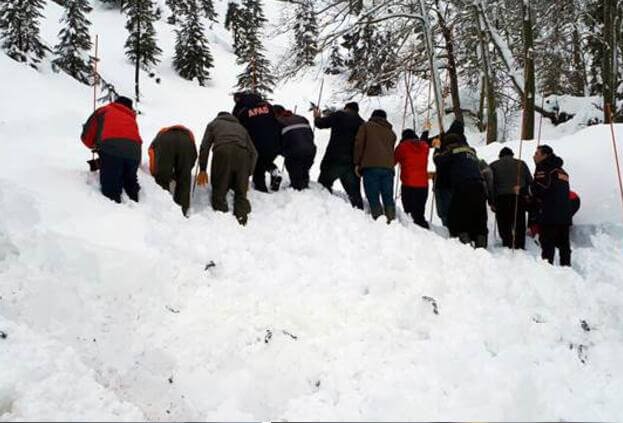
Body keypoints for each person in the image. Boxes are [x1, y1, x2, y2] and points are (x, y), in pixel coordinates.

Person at [433, 120, 488, 248]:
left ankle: (463, 241)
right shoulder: (470, 151)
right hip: (479, 185)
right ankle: (481, 241)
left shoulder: (452, 150)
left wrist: (437, 148)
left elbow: (438, 161)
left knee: (457, 213)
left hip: (462, 185)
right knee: (479, 215)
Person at [197, 112, 258, 225]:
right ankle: (241, 217)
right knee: (241, 192)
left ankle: (222, 217)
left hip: (223, 152)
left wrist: (203, 169)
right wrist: (248, 173)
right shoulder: (241, 128)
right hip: (243, 155)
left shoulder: (214, 124)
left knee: (219, 188)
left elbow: (205, 147)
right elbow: (254, 153)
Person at [81, 96, 142, 203]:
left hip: (111, 149)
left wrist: (93, 145)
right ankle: (137, 204)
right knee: (130, 180)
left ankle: (113, 211)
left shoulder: (104, 110)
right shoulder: (131, 118)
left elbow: (87, 136)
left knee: (111, 185)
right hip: (135, 152)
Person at [314, 102, 365, 209]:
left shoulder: (339, 115)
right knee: (354, 194)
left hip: (333, 159)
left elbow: (321, 124)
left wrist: (317, 117)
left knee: (323, 185)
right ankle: (360, 214)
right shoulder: (362, 123)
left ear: (346, 108)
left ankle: (322, 210)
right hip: (351, 163)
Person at [529, 145, 571, 266]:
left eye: (537, 154)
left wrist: (524, 190)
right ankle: (566, 270)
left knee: (547, 244)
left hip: (550, 213)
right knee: (564, 245)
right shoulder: (562, 171)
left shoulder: (544, 168)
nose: (534, 156)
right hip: (565, 214)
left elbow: (540, 188)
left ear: (544, 155)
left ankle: (548, 273)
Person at [232, 91, 282, 192]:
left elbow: (235, 124)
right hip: (275, 141)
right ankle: (274, 170)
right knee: (265, 160)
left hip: (256, 142)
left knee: (257, 165)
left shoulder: (243, 110)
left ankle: (261, 190)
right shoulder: (268, 106)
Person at [354, 109, 397, 221]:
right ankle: (391, 220)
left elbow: (359, 143)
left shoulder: (366, 126)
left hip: (371, 166)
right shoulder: (391, 133)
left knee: (373, 196)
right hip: (388, 169)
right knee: (388, 197)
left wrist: (357, 162)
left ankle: (378, 220)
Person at [148, 125, 197, 216]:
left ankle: (163, 209)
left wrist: (155, 172)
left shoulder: (161, 135)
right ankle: (182, 210)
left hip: (165, 140)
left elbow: (152, 154)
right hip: (187, 142)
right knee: (184, 179)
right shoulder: (189, 136)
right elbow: (193, 157)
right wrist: (183, 172)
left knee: (162, 177)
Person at [489, 147, 533, 249]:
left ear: (500, 156)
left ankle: (507, 242)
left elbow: (490, 184)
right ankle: (519, 244)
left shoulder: (493, 165)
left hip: (501, 197)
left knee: (503, 221)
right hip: (518, 196)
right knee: (519, 221)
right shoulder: (521, 164)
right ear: (512, 155)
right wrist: (526, 195)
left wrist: (492, 201)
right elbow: (530, 181)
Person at [273, 105, 316, 190]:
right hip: (310, 150)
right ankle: (304, 185)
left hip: (294, 152)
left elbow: (277, 140)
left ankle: (298, 192)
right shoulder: (301, 118)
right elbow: (310, 134)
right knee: (304, 170)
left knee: (294, 172)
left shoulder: (278, 121)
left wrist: (281, 151)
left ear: (276, 113)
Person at [394, 128, 430, 228]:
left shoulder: (402, 147)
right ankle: (424, 230)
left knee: (408, 213)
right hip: (423, 186)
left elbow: (393, 161)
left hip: (408, 185)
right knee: (419, 213)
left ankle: (412, 235)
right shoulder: (424, 146)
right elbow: (424, 141)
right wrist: (425, 132)